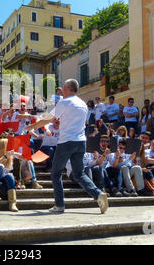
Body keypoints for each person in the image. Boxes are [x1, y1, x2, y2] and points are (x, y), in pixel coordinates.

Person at [26, 79, 108, 214]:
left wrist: (33, 126)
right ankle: (98, 194)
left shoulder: (65, 102)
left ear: (69, 88)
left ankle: (59, 205)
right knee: (79, 174)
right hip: (81, 142)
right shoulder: (83, 104)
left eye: (64, 88)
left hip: (66, 142)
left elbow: (48, 118)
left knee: (56, 172)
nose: (62, 91)